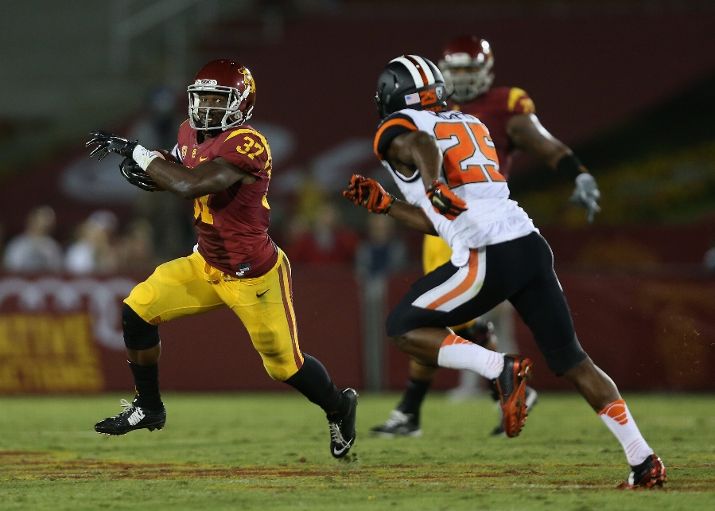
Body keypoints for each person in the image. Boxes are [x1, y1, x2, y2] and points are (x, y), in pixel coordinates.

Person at [343, 54, 665, 488]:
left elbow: (424, 148)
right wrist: (387, 205)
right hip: (529, 245)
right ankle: (643, 460)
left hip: (487, 252)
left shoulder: (397, 127)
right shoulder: (472, 124)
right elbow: (445, 215)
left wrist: (435, 186)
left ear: (391, 96)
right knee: (572, 360)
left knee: (403, 326)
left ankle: (499, 368)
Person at [85, 59, 357, 459]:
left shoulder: (248, 142)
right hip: (205, 263)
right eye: (203, 98)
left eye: (218, 98)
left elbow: (189, 183)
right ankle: (148, 406)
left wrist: (139, 154)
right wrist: (153, 162)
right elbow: (177, 164)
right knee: (137, 311)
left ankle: (339, 406)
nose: (207, 107)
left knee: (284, 366)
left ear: (242, 103)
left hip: (253, 275)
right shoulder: (189, 131)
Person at [370, 36, 598, 437]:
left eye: (468, 70)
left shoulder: (502, 106)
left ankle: (477, 384)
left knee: (425, 320)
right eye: (454, 70)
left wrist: (576, 171)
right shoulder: (450, 115)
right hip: (457, 223)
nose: (461, 78)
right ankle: (428, 404)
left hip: (486, 223)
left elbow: (544, 145)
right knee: (440, 319)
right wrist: (391, 203)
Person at [3, 205, 63, 274]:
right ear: (31, 220)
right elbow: (10, 269)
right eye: (42, 219)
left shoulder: (52, 246)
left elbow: (57, 271)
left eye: (48, 221)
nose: (44, 224)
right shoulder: (17, 245)